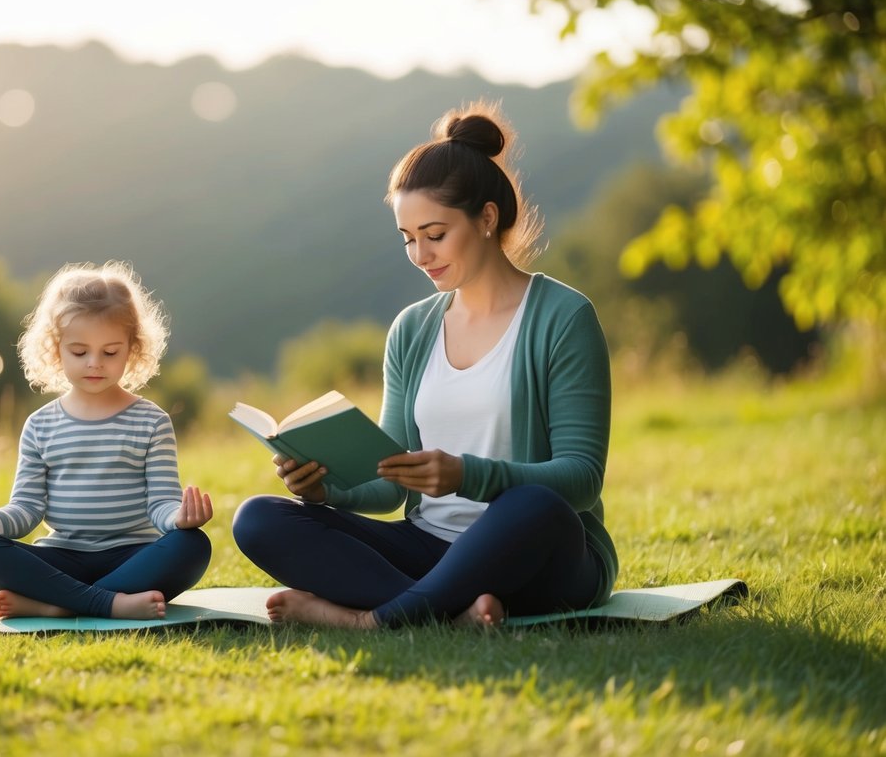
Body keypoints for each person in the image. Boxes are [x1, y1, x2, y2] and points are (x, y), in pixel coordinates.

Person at [232, 100, 617, 629]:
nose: (420, 255)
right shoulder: (412, 329)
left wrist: (465, 475)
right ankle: (448, 610)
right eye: (409, 239)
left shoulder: (563, 317)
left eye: (435, 235)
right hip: (429, 546)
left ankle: (368, 620)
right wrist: (326, 490)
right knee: (258, 519)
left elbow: (581, 478)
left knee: (536, 506)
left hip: (538, 554)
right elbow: (390, 483)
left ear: (486, 218)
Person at [0, 261, 213, 620]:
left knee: (192, 546)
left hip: (133, 557)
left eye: (110, 352)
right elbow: (25, 512)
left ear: (133, 348)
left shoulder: (152, 421)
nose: (94, 363)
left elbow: (160, 503)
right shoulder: (40, 425)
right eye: (79, 352)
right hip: (61, 560)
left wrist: (180, 519)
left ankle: (56, 605)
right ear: (57, 349)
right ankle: (107, 603)